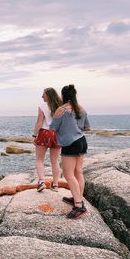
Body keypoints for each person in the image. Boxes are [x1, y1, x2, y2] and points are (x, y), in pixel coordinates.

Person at [50, 84, 91, 219]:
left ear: (63, 96)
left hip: (70, 144)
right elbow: (87, 128)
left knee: (69, 175)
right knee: (78, 171)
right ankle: (77, 198)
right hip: (82, 141)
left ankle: (78, 206)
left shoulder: (61, 110)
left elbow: (53, 128)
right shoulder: (81, 109)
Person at [32, 87, 62, 192]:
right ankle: (55, 185)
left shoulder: (42, 106)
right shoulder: (61, 106)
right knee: (55, 161)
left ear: (48, 95)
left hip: (44, 132)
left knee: (40, 159)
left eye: (43, 95)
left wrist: (34, 135)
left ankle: (41, 182)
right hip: (56, 134)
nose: (42, 96)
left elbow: (39, 122)